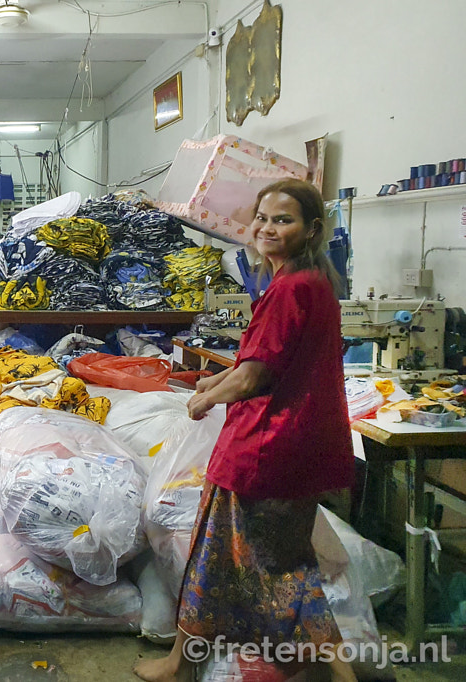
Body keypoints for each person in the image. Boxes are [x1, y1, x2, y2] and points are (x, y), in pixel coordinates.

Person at [134, 179, 357, 682]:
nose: (268, 228)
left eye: (285, 220)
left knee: (214, 562)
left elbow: (258, 375)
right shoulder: (314, 284)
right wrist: (219, 376)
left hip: (263, 450)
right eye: (263, 218)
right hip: (297, 449)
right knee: (287, 568)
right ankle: (343, 676)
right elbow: (270, 361)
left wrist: (205, 398)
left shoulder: (290, 289)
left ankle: (177, 664)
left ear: (312, 229)